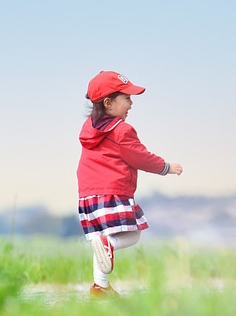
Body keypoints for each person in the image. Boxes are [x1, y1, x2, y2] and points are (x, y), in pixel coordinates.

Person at [77, 70, 183, 296]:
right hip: (112, 192)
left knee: (101, 241)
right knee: (131, 234)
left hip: (88, 196)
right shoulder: (122, 131)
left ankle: (100, 287)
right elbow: (140, 157)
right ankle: (109, 250)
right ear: (108, 103)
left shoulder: (89, 130)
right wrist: (166, 167)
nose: (131, 103)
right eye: (126, 98)